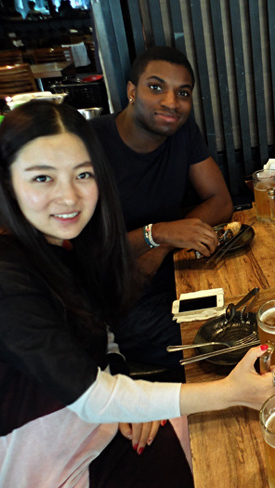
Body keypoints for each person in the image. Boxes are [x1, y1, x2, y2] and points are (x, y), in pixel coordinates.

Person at [0, 100, 275, 487]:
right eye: (42, 178)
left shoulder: (66, 246)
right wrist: (230, 392)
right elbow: (93, 397)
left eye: (83, 175)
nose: (68, 197)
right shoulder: (1, 277)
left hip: (100, 428)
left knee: (232, 448)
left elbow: (105, 337)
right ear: (8, 181)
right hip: (44, 463)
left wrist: (126, 390)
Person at [90, 46, 233, 373]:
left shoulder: (182, 132)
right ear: (131, 91)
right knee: (224, 351)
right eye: (156, 87)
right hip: (117, 302)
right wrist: (156, 234)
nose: (171, 102)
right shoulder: (90, 144)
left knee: (264, 315)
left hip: (175, 276)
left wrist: (162, 244)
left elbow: (221, 201)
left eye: (182, 92)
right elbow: (84, 251)